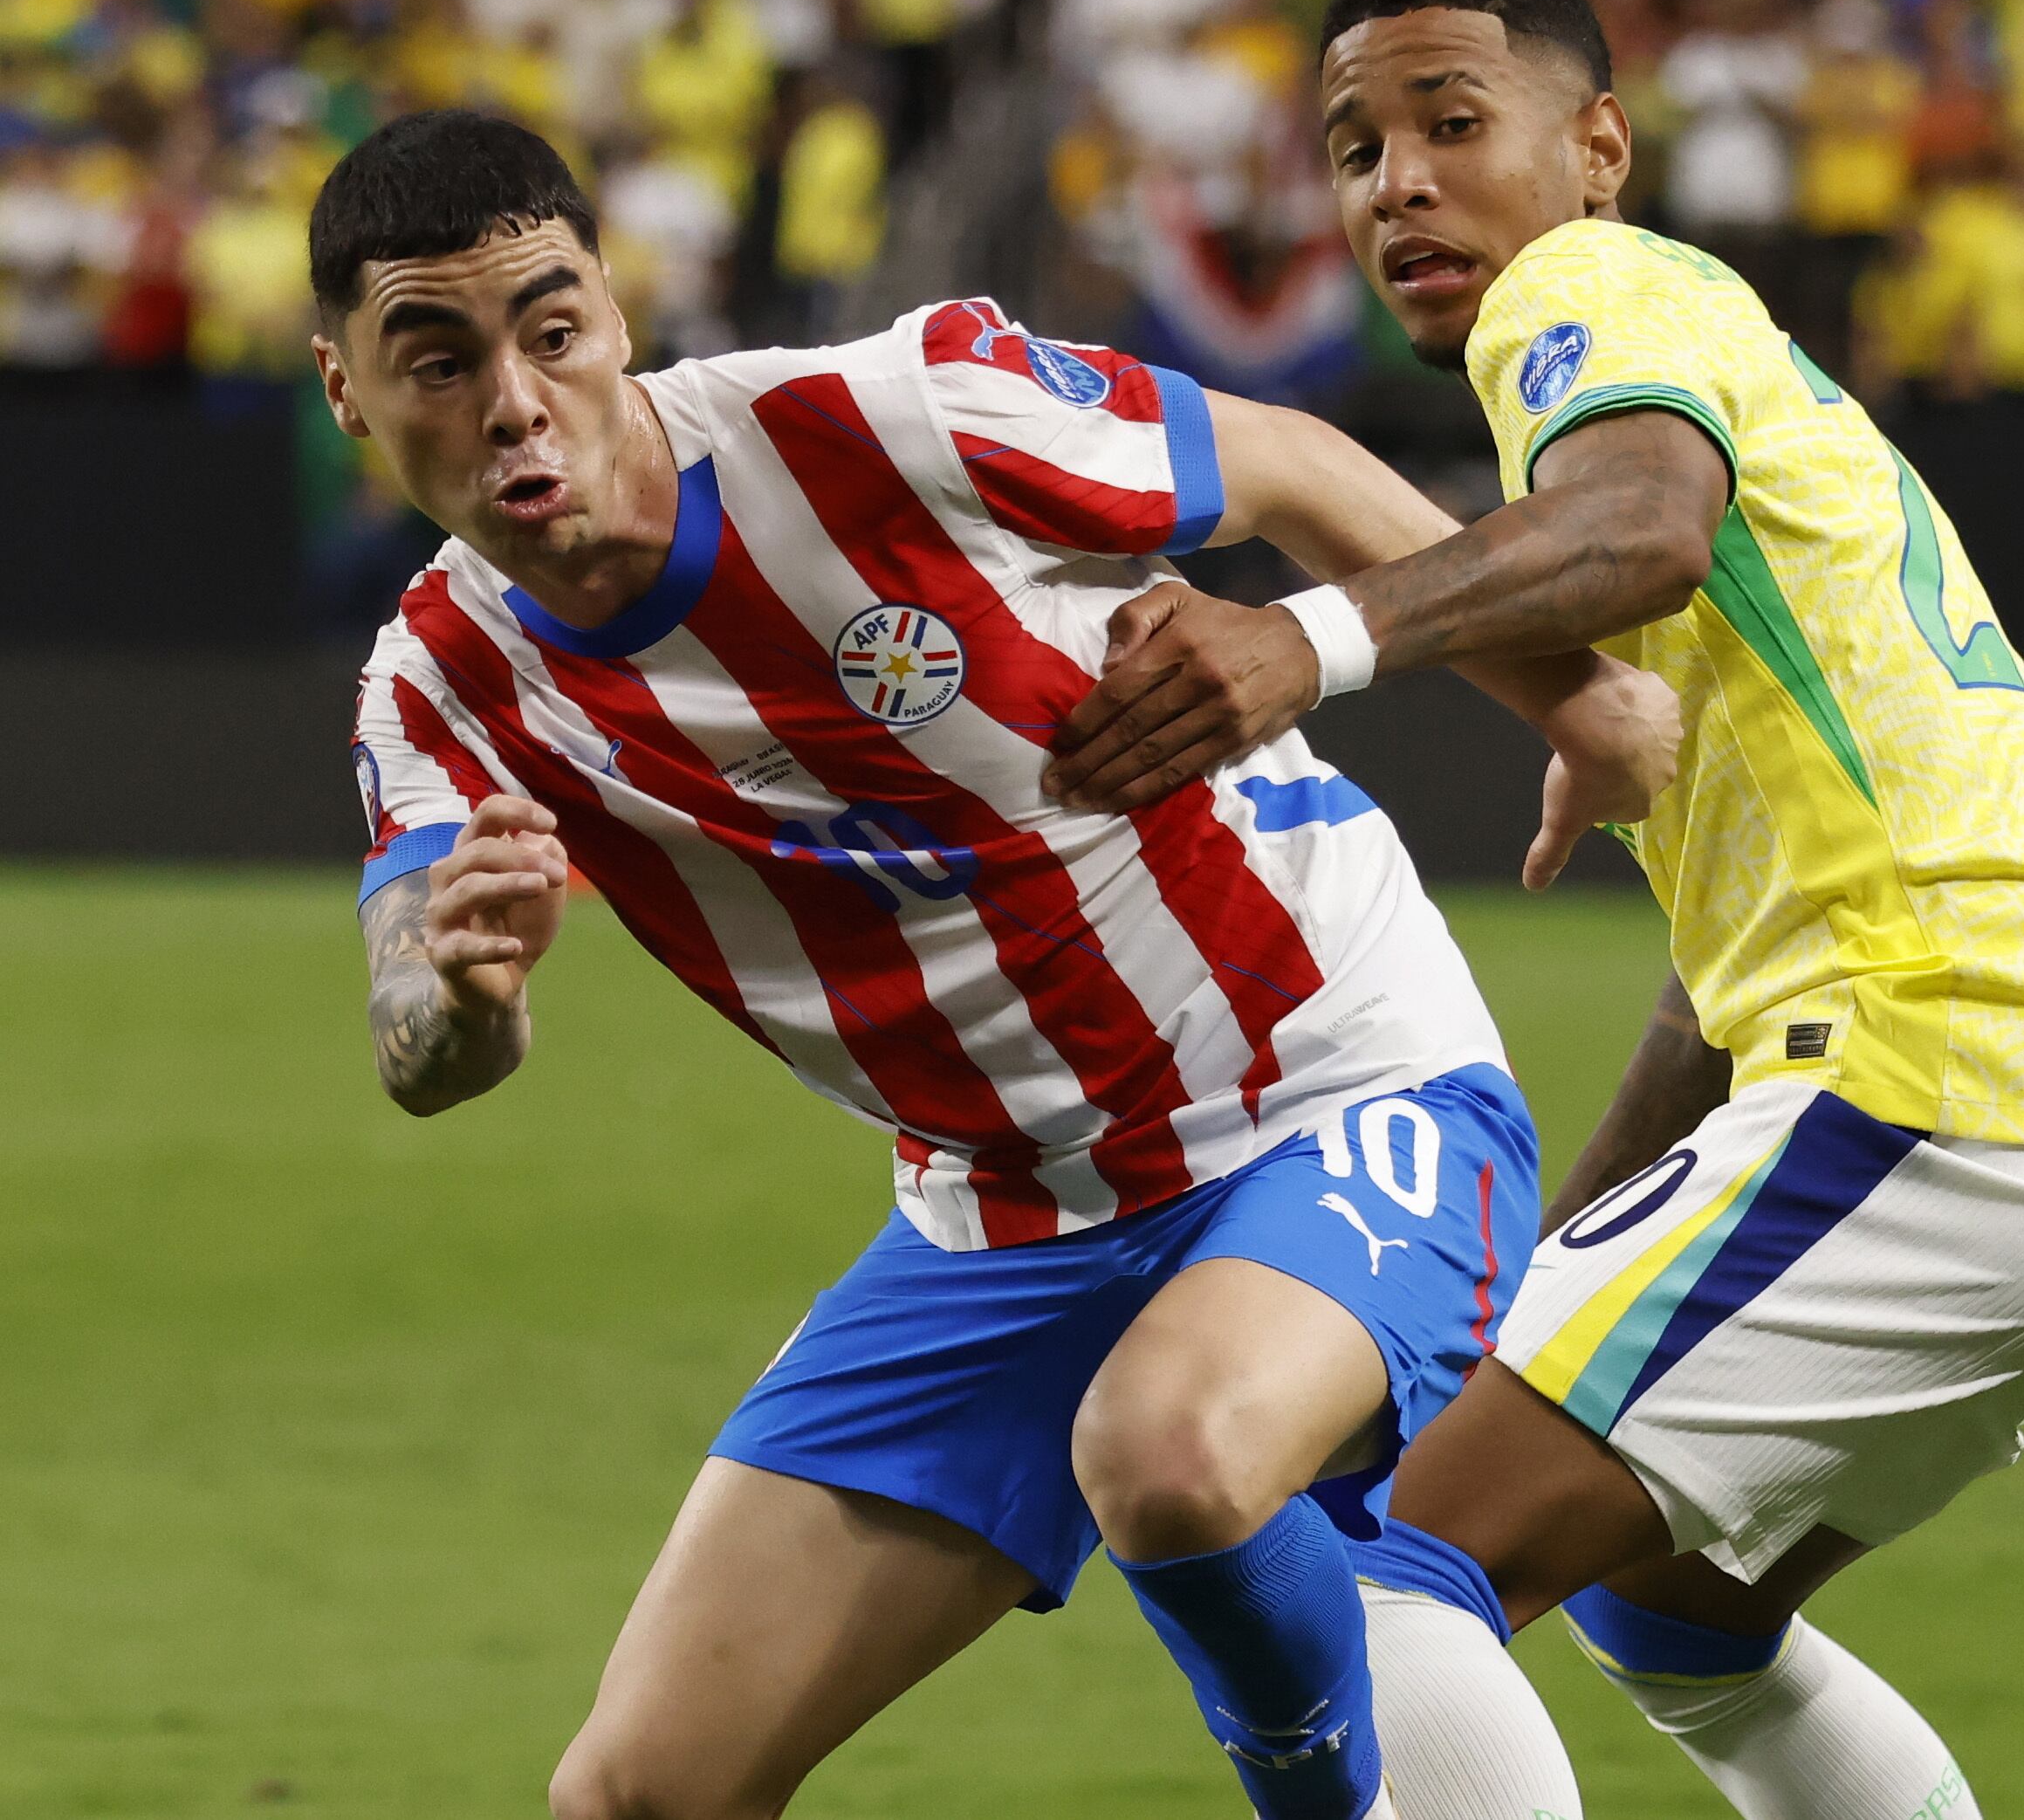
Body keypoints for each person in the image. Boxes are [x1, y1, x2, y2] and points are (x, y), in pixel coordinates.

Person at [313, 108, 1679, 1820]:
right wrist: (467, 991)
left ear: (617, 315)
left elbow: (1287, 466)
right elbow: (415, 1041)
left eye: (553, 332)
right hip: (997, 1214)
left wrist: (1586, 703)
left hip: (1327, 1078)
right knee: (634, 1796)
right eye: (435, 360)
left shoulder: (894, 419)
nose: (514, 402)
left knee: (1174, 1459)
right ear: (345, 390)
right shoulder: (437, 683)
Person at [1046, 0, 2024, 1820]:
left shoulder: (1595, 291)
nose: (1397, 182)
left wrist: (1307, 639)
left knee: (1391, 1575)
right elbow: (1710, 991)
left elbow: (1639, 532)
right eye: (1354, 148)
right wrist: (1520, 1310)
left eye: (1451, 122)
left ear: (1598, 148)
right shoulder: (1713, 369)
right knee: (1674, 1616)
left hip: (1938, 1083)